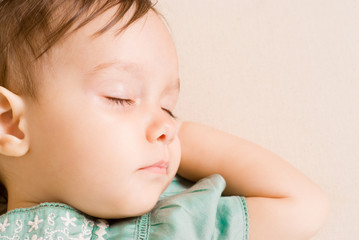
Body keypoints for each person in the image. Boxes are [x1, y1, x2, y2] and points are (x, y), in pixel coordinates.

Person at [0, 0, 329, 239]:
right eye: (121, 97)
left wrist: (183, 135)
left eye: (169, 107)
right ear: (10, 124)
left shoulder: (172, 226)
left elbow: (302, 205)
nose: (166, 127)